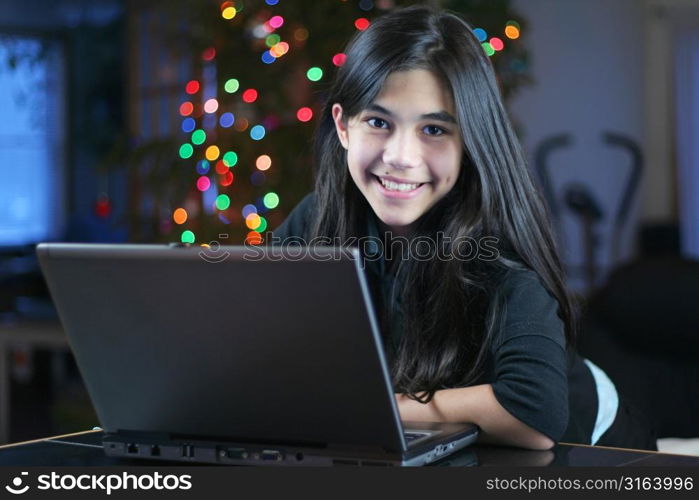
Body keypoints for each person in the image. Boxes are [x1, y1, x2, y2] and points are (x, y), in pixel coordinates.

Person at [269, 5, 655, 450]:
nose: (401, 157)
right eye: (379, 123)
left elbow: (535, 414)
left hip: (596, 444)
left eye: (433, 130)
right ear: (342, 126)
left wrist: (380, 408)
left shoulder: (497, 241)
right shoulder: (317, 217)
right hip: (447, 445)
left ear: (470, 141)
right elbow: (261, 339)